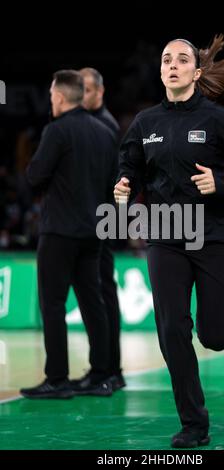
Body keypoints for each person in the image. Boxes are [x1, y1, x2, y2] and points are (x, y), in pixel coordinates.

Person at [114, 35, 224, 447]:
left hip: (217, 234)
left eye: (182, 59)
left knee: (216, 336)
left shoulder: (221, 119)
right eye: (166, 59)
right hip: (166, 233)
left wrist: (221, 182)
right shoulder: (146, 123)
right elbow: (129, 162)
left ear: (196, 73)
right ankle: (194, 423)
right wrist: (124, 183)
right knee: (171, 327)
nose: (172, 65)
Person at [20, 70, 117, 398]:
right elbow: (112, 185)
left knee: (53, 304)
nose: (51, 100)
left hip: (59, 231)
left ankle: (57, 378)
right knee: (94, 302)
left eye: (51, 95)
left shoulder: (57, 131)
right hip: (94, 232)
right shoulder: (105, 133)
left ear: (60, 97)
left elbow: (35, 175)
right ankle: (102, 375)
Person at [78, 67, 125, 391]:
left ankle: (110, 371)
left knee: (103, 294)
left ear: (100, 92)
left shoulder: (105, 126)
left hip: (103, 222)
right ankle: (102, 368)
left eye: (86, 91)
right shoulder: (90, 125)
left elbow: (114, 181)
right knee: (98, 293)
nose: (81, 97)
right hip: (95, 220)